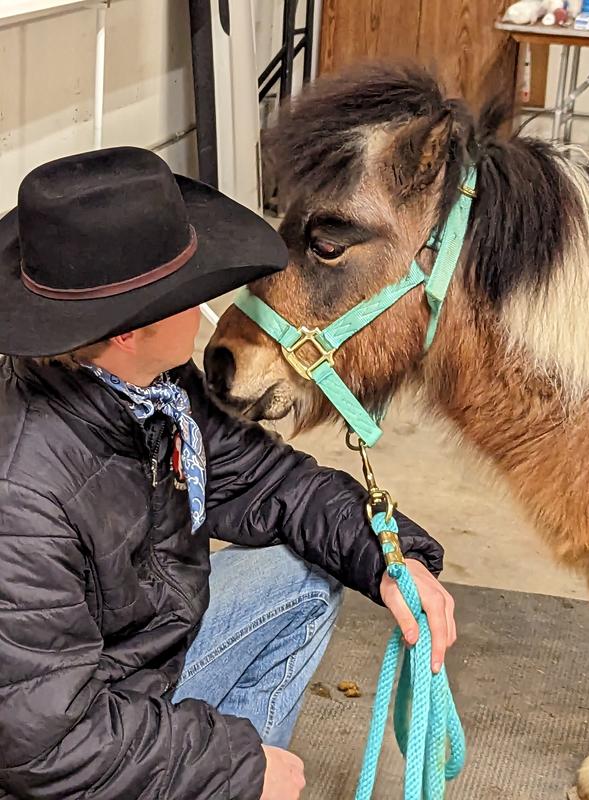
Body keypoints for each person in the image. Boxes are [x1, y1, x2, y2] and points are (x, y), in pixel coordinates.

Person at [0, 147, 455, 800]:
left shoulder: (149, 388)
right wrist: (237, 768)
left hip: (134, 669)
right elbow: (43, 745)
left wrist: (391, 557)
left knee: (301, 574)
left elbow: (273, 484)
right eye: (187, 293)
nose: (207, 307)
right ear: (129, 330)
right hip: (62, 745)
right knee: (245, 771)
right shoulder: (22, 493)